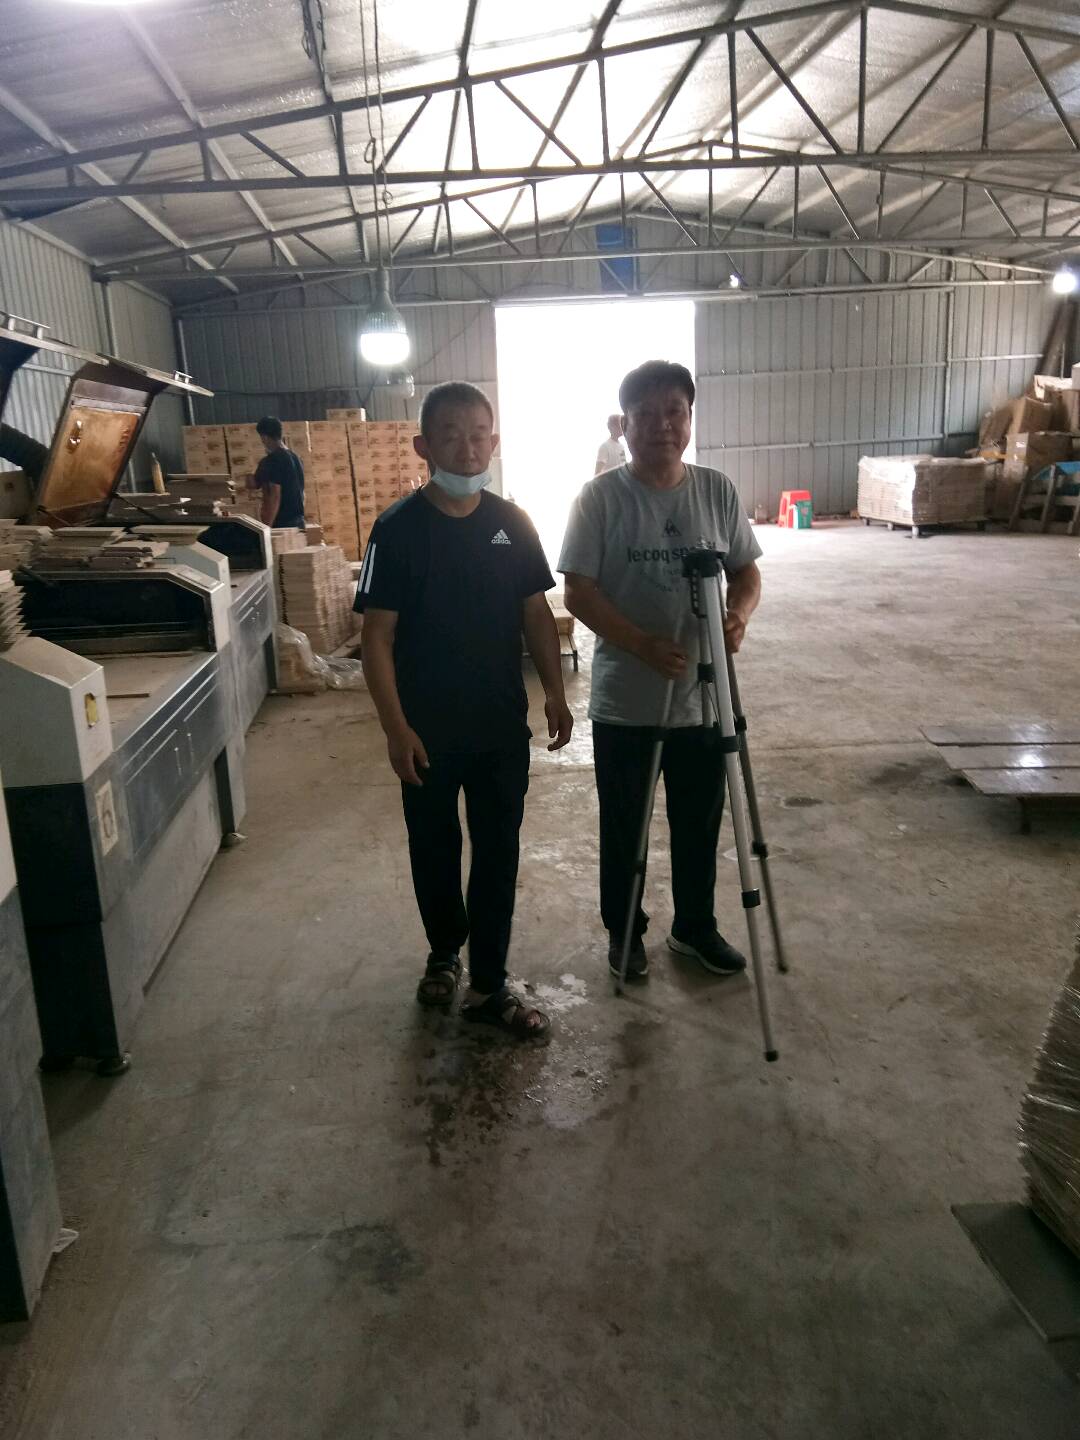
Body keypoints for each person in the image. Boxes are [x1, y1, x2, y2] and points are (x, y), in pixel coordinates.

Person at [357, 381, 573, 1041]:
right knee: (434, 847)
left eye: (479, 434)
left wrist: (555, 692)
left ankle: (488, 982)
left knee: (498, 850)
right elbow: (377, 637)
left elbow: (535, 612)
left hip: (499, 727)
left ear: (495, 442)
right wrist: (395, 728)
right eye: (451, 434)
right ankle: (445, 950)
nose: (467, 447)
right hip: (426, 731)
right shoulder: (397, 530)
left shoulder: (513, 524)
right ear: (422, 445)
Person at [559, 359, 762, 982]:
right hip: (628, 702)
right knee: (626, 828)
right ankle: (625, 932)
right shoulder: (600, 498)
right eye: (646, 415)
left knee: (699, 823)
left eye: (675, 412)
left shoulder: (716, 491)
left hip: (704, 698)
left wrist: (738, 614)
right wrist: (641, 645)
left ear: (690, 419)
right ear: (625, 425)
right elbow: (579, 592)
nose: (662, 425)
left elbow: (747, 571)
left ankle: (694, 927)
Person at [253, 415, 305, 528]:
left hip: (283, 524)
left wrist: (267, 528)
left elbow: (275, 495)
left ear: (265, 437)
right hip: (299, 521)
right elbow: (302, 493)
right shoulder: (296, 457)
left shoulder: (274, 460)